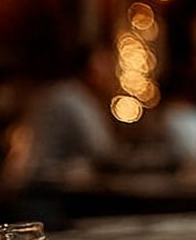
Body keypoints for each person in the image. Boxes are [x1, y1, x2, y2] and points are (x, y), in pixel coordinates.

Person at [9, 44, 118, 186]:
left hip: (37, 180)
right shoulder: (70, 98)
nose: (109, 72)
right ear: (90, 67)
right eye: (104, 64)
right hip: (48, 187)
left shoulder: (58, 93)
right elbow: (101, 148)